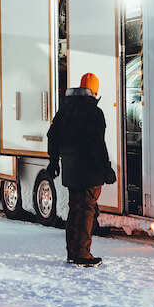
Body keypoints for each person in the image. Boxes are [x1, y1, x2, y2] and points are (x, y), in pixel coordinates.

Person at [46, 72, 116, 267]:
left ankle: (72, 251)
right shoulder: (93, 112)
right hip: (89, 171)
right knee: (87, 210)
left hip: (70, 170)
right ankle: (83, 254)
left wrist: (53, 162)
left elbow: (52, 136)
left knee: (75, 210)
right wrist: (106, 168)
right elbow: (97, 144)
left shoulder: (64, 110)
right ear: (94, 92)